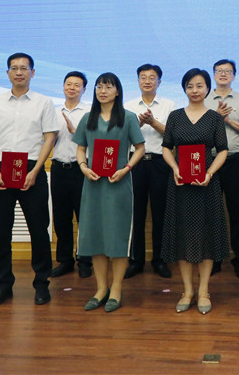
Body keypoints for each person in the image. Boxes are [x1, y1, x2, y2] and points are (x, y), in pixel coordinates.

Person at [0, 52, 59, 307]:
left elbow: (50, 137)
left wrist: (36, 171)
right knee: (1, 231)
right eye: (14, 68)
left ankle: (42, 284)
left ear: (33, 72)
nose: (19, 72)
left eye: (24, 68)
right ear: (8, 73)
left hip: (32, 169)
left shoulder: (43, 102)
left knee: (39, 230)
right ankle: (2, 286)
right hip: (1, 170)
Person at [74, 72, 145, 313]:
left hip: (118, 184)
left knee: (117, 237)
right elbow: (81, 148)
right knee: (95, 236)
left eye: (108, 87)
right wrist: (83, 167)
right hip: (93, 184)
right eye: (99, 87)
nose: (102, 91)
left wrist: (126, 168)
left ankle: (116, 289)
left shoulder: (128, 117)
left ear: (117, 91)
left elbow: (140, 148)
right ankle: (101, 288)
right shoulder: (87, 118)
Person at [161, 69, 230, 314]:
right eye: (190, 86)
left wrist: (209, 173)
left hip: (206, 184)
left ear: (207, 88)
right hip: (180, 184)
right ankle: (187, 290)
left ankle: (203, 291)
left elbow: (222, 150)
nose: (195, 90)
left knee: (206, 235)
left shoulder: (214, 118)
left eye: (200, 86)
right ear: (184, 89)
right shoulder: (175, 116)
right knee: (182, 234)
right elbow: (166, 147)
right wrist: (175, 168)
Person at [124, 64, 175, 279]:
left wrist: (152, 122)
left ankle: (160, 260)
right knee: (135, 213)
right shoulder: (127, 106)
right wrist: (137, 122)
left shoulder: (169, 105)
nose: (147, 81)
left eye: (152, 77)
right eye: (143, 77)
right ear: (138, 81)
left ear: (159, 82)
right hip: (134, 162)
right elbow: (123, 135)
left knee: (160, 213)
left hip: (160, 162)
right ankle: (135, 261)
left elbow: (172, 135)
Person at [204, 59, 239, 280]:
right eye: (219, 71)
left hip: (235, 161)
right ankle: (214, 260)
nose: (223, 74)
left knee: (237, 211)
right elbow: (199, 129)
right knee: (212, 212)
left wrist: (227, 120)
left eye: (228, 71)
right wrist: (216, 118)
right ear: (214, 75)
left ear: (234, 75)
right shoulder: (204, 98)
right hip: (210, 162)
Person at [49, 71, 93, 279]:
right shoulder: (53, 112)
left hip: (81, 169)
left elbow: (97, 141)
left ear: (84, 89)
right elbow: (46, 140)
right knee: (61, 217)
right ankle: (65, 260)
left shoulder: (91, 112)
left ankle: (85, 260)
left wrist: (76, 132)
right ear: (63, 87)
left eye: (77, 85)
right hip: (58, 168)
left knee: (84, 216)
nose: (72, 88)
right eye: (69, 84)